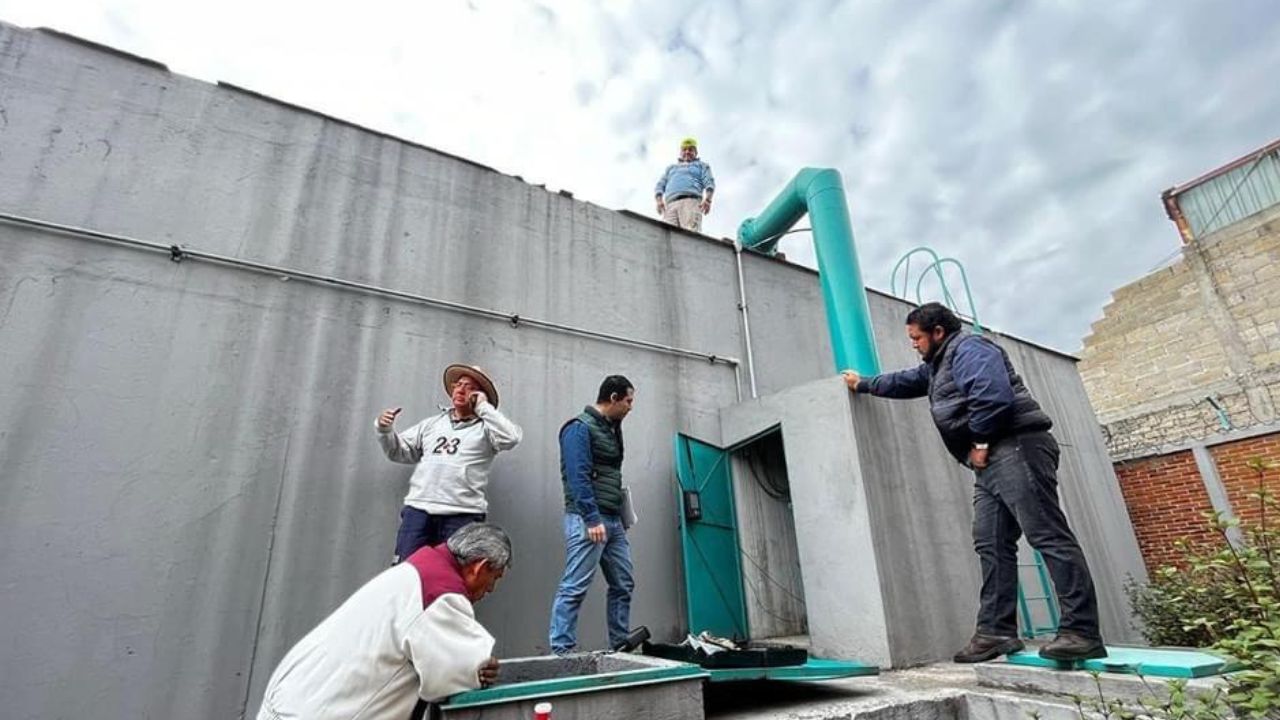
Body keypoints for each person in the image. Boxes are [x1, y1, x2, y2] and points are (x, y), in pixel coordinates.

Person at [842, 302, 1107, 663]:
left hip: (1015, 445)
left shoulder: (971, 348)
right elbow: (905, 381)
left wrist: (980, 442)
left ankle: (1081, 631)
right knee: (991, 543)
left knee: (1047, 534)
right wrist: (864, 384)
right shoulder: (938, 366)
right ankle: (995, 632)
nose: (914, 344)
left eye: (917, 337)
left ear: (938, 332)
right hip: (992, 459)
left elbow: (993, 396)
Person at [256, 523, 512, 720]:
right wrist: (478, 668)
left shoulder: (415, 570)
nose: (490, 589)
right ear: (480, 566)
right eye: (496, 578)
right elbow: (455, 672)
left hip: (294, 700)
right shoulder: (438, 593)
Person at [377, 364, 522, 564]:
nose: (461, 389)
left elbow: (511, 437)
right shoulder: (431, 424)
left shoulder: (487, 429)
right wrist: (385, 430)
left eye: (470, 387)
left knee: (453, 575)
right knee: (407, 572)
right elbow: (398, 451)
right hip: (419, 510)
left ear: (480, 395)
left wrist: (483, 408)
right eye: (458, 384)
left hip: (462, 515)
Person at [548, 375, 637, 654]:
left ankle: (620, 646)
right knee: (575, 586)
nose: (630, 407)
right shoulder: (578, 428)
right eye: (628, 400)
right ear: (613, 398)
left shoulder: (610, 428)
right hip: (590, 520)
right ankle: (561, 651)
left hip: (613, 520)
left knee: (623, 583)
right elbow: (578, 476)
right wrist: (591, 518)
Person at [654, 137, 715, 232]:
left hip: (691, 201)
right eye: (684, 149)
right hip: (670, 204)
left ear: (695, 153)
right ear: (680, 152)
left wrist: (708, 200)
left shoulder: (702, 166)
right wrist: (659, 201)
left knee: (691, 232)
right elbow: (660, 185)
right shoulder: (671, 168)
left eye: (690, 149)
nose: (687, 152)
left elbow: (709, 182)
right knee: (667, 234)